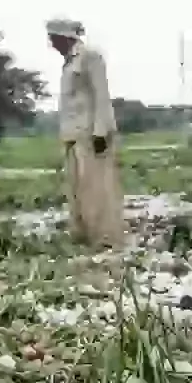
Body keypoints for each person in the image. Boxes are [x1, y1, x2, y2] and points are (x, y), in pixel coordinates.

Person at [47, 18, 124, 248]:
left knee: (96, 188)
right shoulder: (68, 63)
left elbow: (101, 94)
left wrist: (101, 131)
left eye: (53, 39)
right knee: (76, 189)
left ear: (65, 37)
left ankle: (105, 237)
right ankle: (82, 235)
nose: (52, 44)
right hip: (72, 134)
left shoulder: (90, 57)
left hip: (91, 134)